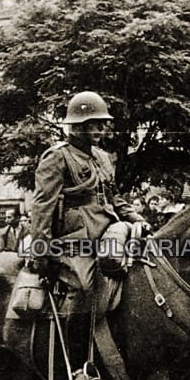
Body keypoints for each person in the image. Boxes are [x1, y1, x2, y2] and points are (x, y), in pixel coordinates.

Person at [30, 91, 148, 293]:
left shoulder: (102, 157)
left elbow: (115, 198)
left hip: (107, 231)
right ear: (77, 126)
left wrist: (137, 219)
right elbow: (42, 208)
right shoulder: (58, 156)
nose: (102, 129)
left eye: (103, 123)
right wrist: (40, 252)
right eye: (95, 123)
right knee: (85, 288)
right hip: (75, 241)